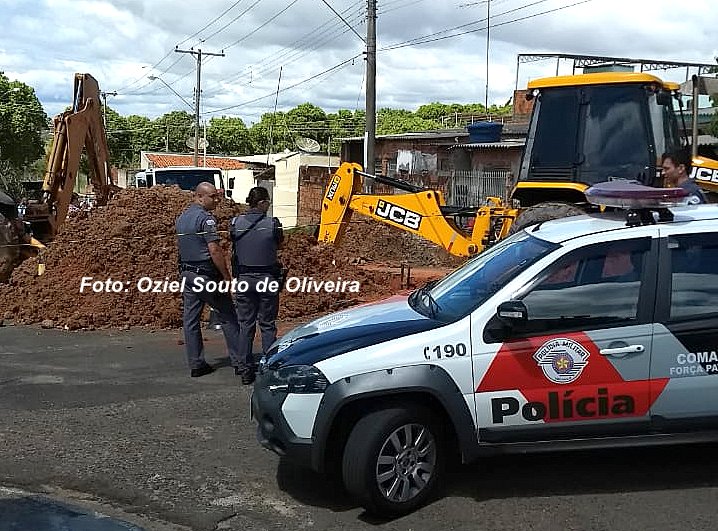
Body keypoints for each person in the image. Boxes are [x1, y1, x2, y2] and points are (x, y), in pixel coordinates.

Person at [175, 182, 244, 378]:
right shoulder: (206, 220)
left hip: (188, 274)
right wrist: (226, 277)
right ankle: (240, 362)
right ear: (199, 196)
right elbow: (214, 249)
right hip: (206, 275)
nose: (216, 200)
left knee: (190, 320)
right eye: (212, 196)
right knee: (228, 315)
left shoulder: (181, 218)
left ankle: (196, 364)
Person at [230, 187, 284, 385]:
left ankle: (245, 369)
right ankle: (269, 367)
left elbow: (233, 245)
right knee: (268, 325)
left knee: (246, 325)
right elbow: (279, 245)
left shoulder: (235, 223)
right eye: (267, 202)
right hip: (267, 278)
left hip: (244, 279)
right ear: (261, 203)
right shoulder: (273, 224)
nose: (269, 205)